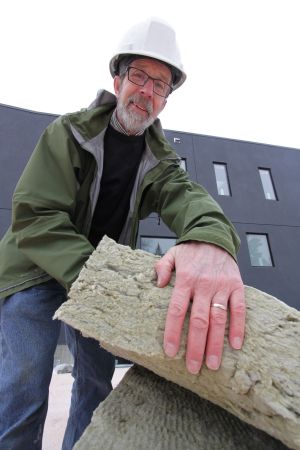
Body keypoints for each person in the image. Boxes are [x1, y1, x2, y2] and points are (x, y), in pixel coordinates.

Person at [0, 18, 245, 450]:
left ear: (166, 98)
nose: (147, 92)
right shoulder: (69, 133)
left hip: (100, 281)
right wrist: (94, 274)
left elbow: (185, 196)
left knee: (95, 384)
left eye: (161, 85)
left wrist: (209, 239)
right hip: (35, 271)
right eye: (139, 76)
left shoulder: (160, 161)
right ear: (117, 79)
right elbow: (36, 216)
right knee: (24, 384)